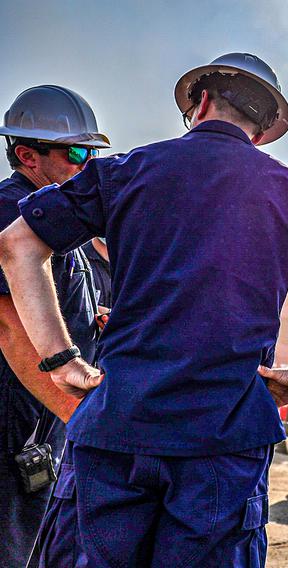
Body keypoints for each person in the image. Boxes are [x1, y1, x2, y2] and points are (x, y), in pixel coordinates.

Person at [0, 52, 288, 567]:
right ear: (263, 129)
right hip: (224, 438)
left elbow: (18, 245)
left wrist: (59, 359)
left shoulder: (125, 172)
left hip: (118, 429)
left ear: (201, 100)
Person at [0, 85, 109, 566]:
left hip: (44, 419)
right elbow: (7, 326)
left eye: (93, 152)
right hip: (17, 419)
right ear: (27, 154)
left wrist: (95, 323)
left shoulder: (56, 219)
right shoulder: (10, 212)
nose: (87, 164)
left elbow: (61, 303)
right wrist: (76, 415)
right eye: (77, 152)